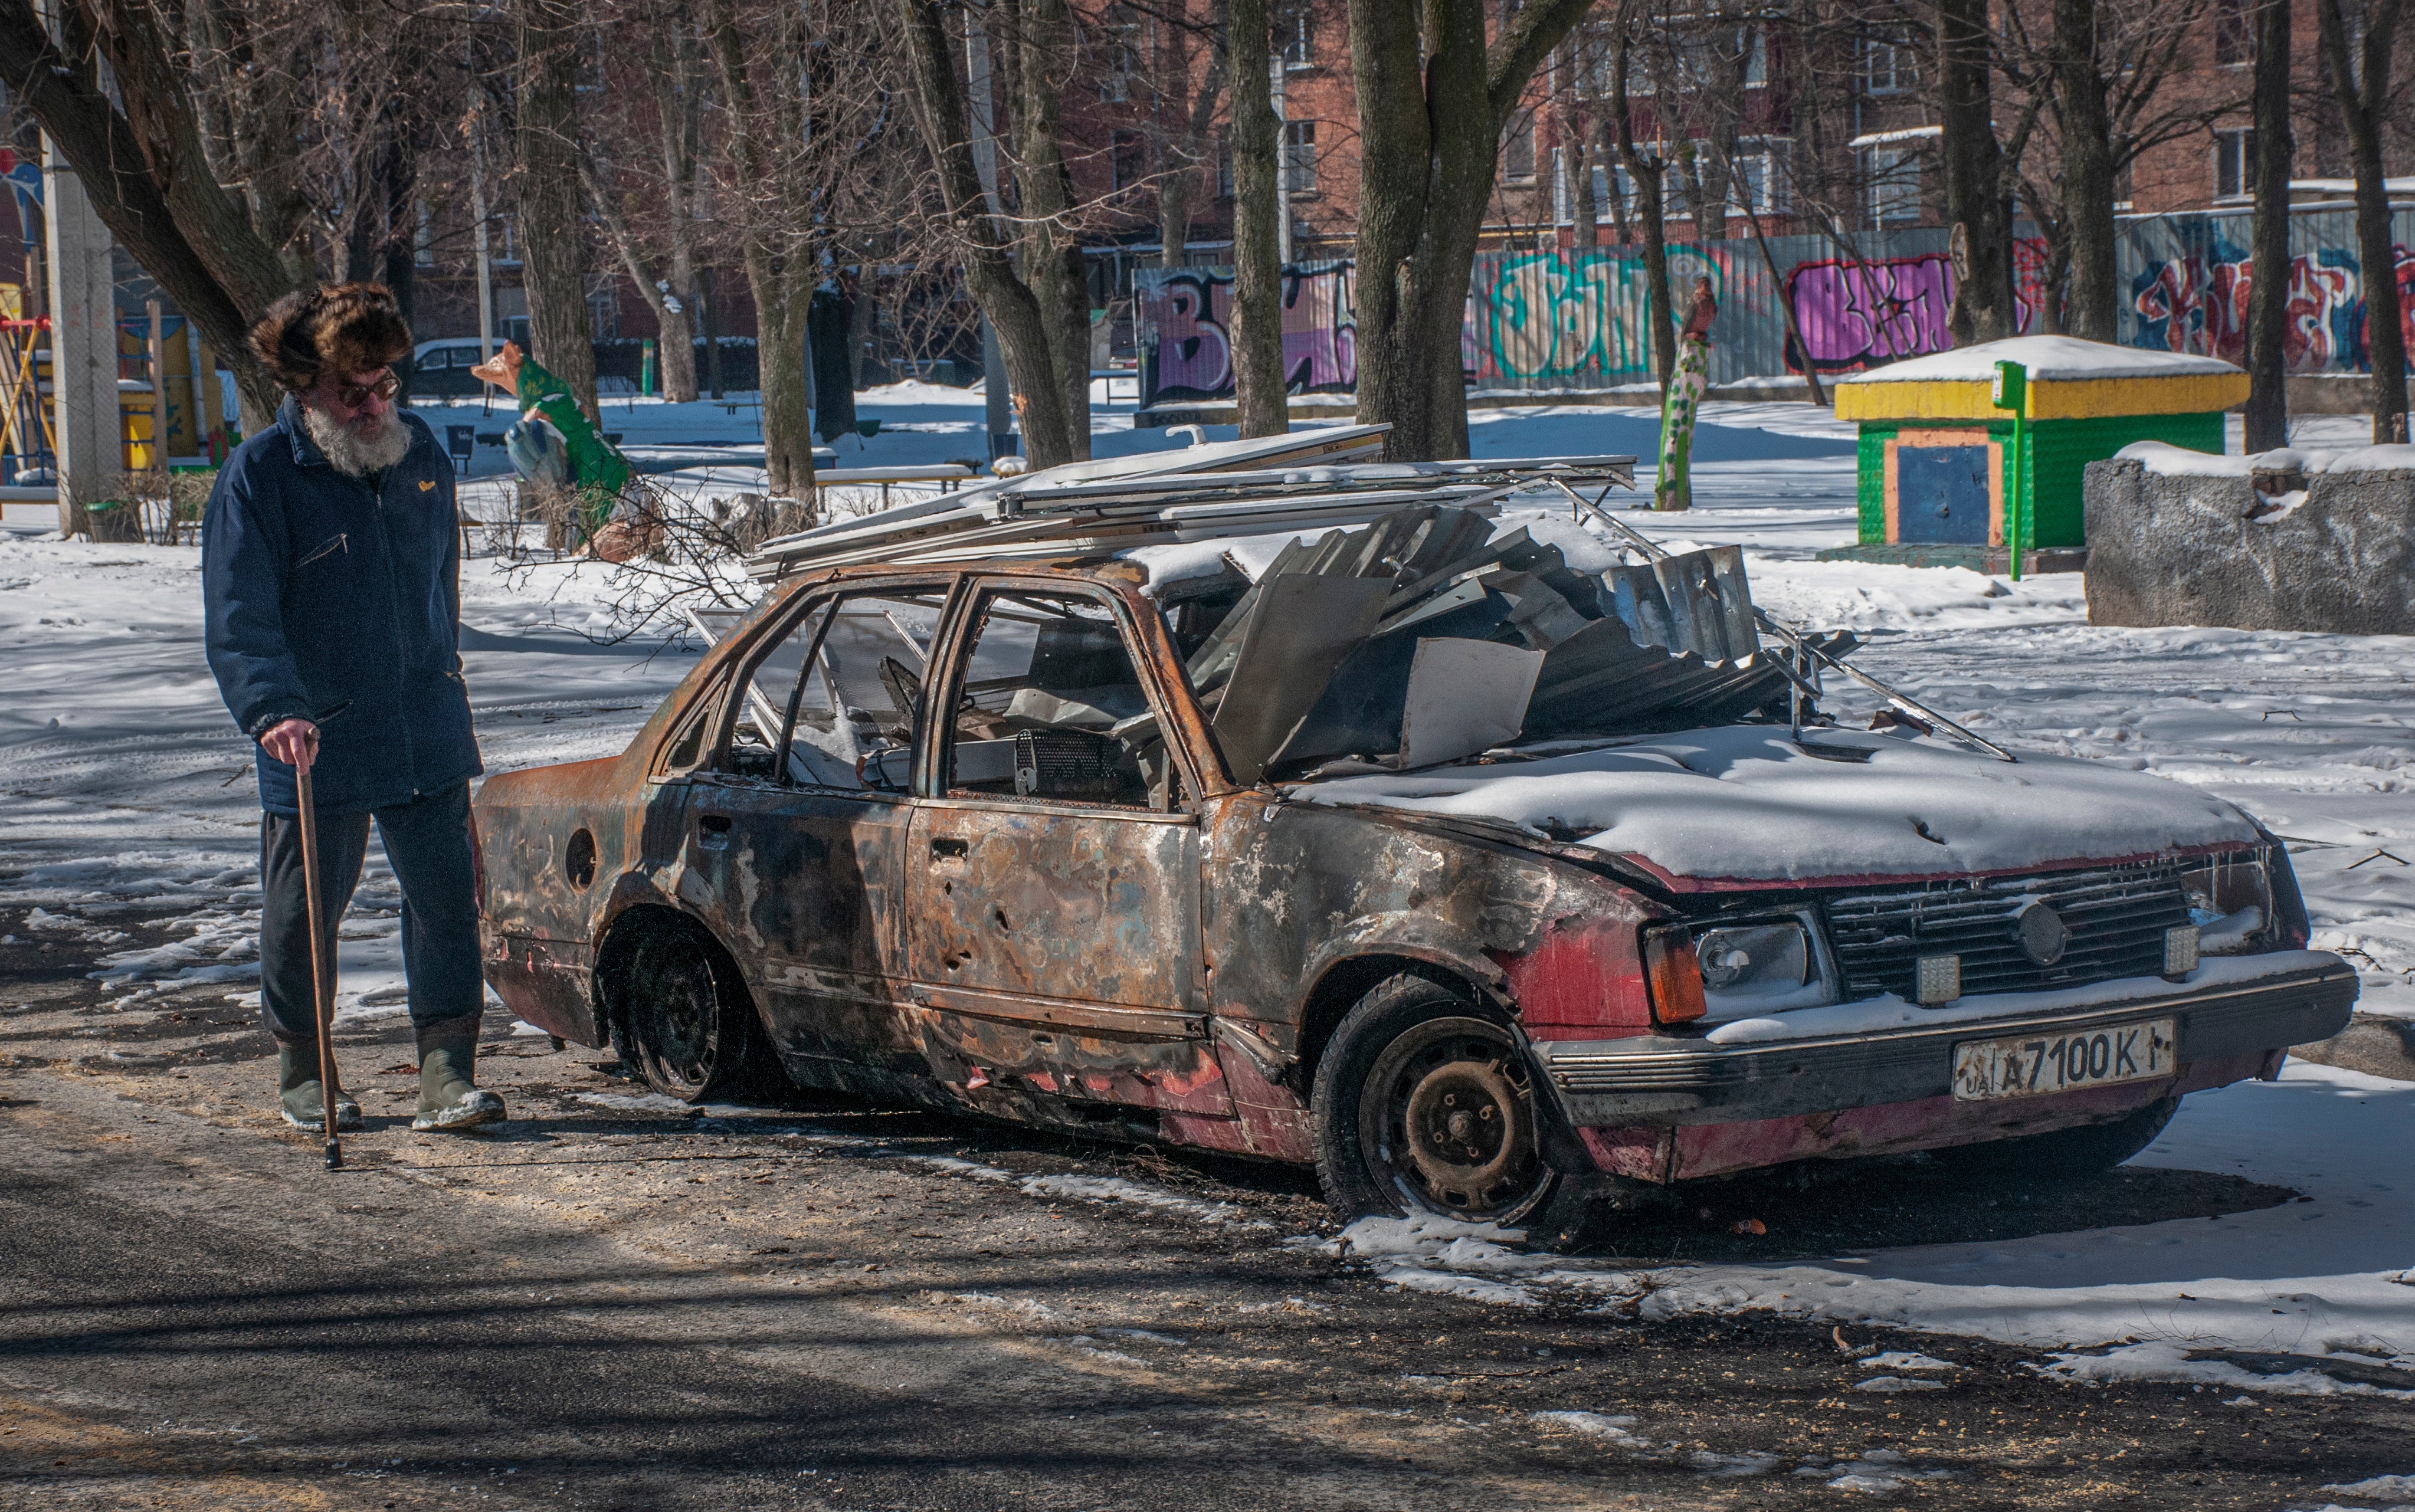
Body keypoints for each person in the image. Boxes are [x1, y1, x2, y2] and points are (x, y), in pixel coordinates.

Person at [202, 282, 507, 1135]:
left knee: (448, 900)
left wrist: (447, 687)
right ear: (306, 393)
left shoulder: (422, 460)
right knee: (304, 910)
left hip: (423, 721)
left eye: (383, 386)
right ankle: (306, 1068)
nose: (374, 405)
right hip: (313, 732)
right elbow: (239, 615)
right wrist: (272, 708)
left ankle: (447, 1071)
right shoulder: (260, 476)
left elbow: (440, 591)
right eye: (353, 392)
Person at [468, 340, 656, 562]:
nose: (488, 371)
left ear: (513, 368)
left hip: (596, 473)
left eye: (496, 365)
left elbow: (523, 435)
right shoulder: (568, 403)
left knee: (592, 534)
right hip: (612, 465)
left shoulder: (542, 409)